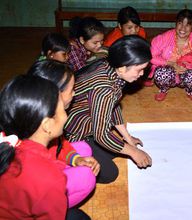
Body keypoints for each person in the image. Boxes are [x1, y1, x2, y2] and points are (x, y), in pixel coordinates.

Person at [65, 35, 153, 184]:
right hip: (73, 132)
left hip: (89, 122)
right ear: (122, 67)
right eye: (139, 70)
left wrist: (127, 137)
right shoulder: (104, 89)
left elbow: (112, 105)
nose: (142, 74)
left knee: (116, 149)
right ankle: (72, 151)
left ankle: (91, 146)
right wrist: (134, 152)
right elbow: (101, 135)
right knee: (109, 173)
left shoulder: (111, 68)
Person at [0, 75, 91, 219]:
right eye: (63, 110)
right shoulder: (48, 178)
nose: (66, 115)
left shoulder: (10, 140)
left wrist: (75, 159)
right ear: (47, 125)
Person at [27, 60, 100, 206]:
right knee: (86, 176)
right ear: (56, 95)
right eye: (72, 89)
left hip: (48, 162)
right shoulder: (34, 143)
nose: (74, 92)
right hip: (39, 188)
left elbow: (59, 144)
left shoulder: (43, 117)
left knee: (83, 148)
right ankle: (58, 203)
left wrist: (76, 159)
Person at [150, 9, 192, 103]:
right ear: (176, 23)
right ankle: (164, 88)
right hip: (169, 71)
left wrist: (188, 67)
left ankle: (191, 90)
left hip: (188, 72)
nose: (183, 28)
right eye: (180, 23)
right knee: (160, 74)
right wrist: (169, 63)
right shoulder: (166, 37)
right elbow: (151, 56)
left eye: (187, 25)